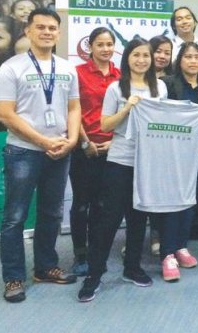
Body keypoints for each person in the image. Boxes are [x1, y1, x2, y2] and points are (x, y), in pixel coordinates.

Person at [0, 8, 80, 303]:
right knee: (14, 217)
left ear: (58, 33)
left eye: (52, 28)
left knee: (52, 213)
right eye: (40, 27)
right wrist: (43, 141)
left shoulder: (67, 68)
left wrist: (70, 140)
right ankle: (14, 277)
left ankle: (45, 268)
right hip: (23, 151)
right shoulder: (11, 67)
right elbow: (5, 114)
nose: (47, 32)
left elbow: (73, 108)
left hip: (59, 151)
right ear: (28, 31)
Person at [78, 38, 167, 302]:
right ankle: (94, 275)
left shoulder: (159, 86)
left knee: (139, 218)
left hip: (148, 163)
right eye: (136, 55)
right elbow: (105, 125)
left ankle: (132, 268)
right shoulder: (116, 88)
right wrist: (128, 108)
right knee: (109, 220)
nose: (142, 60)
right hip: (120, 161)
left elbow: (164, 122)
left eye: (146, 56)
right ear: (127, 58)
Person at [68, 27, 120, 277]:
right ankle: (80, 254)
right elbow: (71, 111)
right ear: (90, 46)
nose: (106, 49)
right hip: (83, 147)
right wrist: (85, 142)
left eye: (110, 44)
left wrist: (112, 144)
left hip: (113, 148)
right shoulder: (76, 73)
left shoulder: (120, 76)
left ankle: (97, 253)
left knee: (102, 205)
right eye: (100, 44)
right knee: (81, 204)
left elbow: (123, 116)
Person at [159, 41, 198, 272]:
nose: (193, 61)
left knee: (190, 199)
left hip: (196, 151)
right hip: (171, 152)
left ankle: (181, 246)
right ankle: (167, 251)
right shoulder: (167, 84)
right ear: (179, 60)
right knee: (172, 200)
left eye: (197, 57)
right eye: (188, 57)